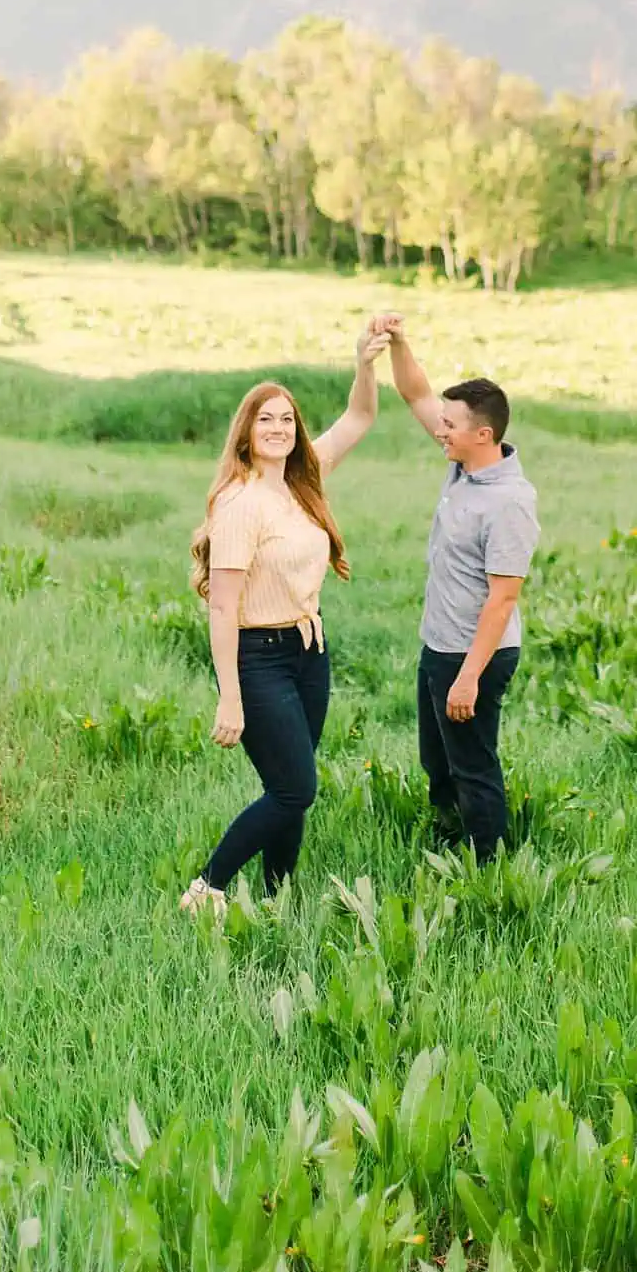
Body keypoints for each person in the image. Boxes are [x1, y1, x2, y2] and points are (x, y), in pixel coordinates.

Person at [180, 324, 391, 919]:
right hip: (259, 658)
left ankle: (275, 900)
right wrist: (231, 695)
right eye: (265, 419)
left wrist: (365, 362)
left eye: (287, 420)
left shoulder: (303, 479)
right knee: (295, 788)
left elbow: (360, 417)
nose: (278, 428)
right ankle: (207, 888)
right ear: (246, 434)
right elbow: (222, 606)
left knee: (289, 791)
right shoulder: (240, 504)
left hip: (309, 652)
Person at [372, 318, 540, 862]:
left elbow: (503, 599)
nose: (438, 431)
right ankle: (448, 842)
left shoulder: (508, 502)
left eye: (449, 426)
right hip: (438, 645)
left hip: (475, 654)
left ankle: (487, 870)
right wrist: (397, 342)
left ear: (482, 434)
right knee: (437, 761)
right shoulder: (464, 467)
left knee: (473, 765)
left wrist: (468, 678)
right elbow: (414, 391)